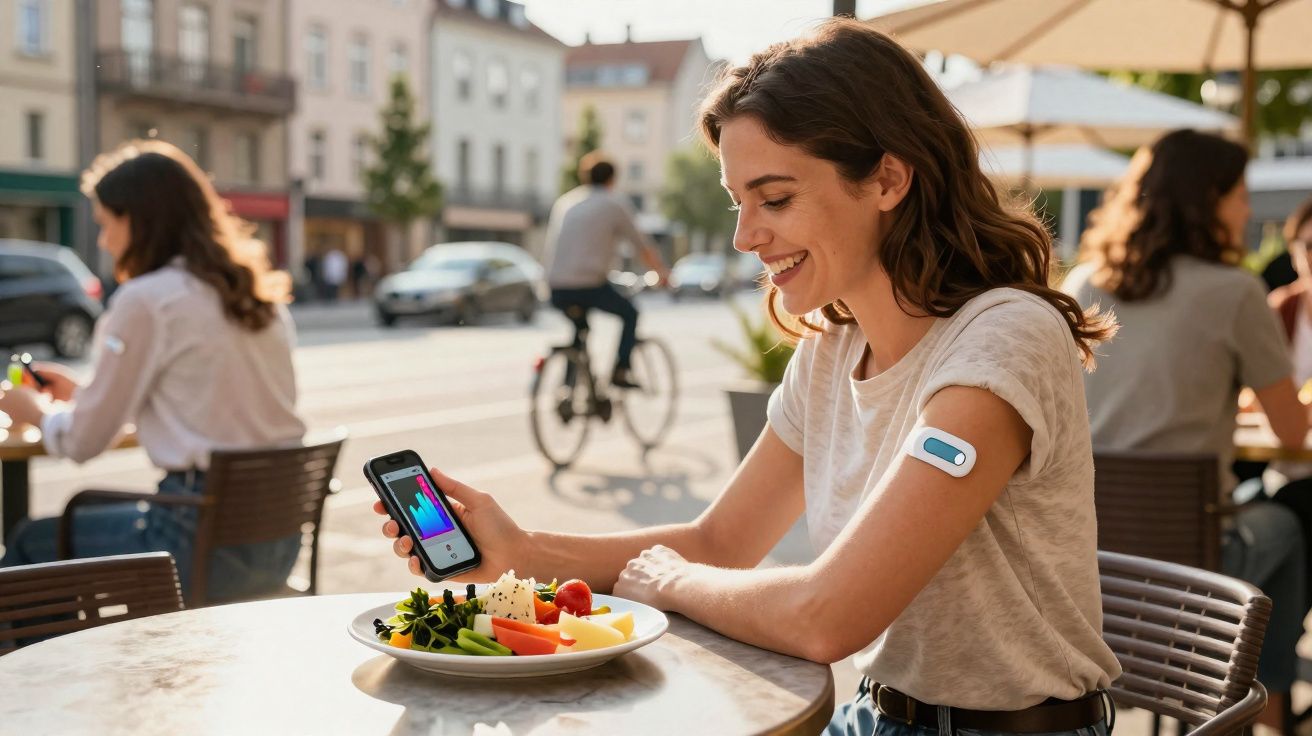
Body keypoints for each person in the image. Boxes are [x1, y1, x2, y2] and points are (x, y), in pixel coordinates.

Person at [378, 20, 1122, 735]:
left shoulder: (1004, 338)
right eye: (741, 203)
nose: (744, 236)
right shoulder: (834, 350)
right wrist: (521, 552)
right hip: (873, 712)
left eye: (776, 198)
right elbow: (722, 539)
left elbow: (827, 614)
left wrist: (668, 583)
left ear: (889, 178)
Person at [1063, 130, 1308, 729]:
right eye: (1239, 195)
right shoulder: (1235, 292)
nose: (1249, 210)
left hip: (1086, 553)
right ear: (1206, 200)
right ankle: (1258, 700)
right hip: (1192, 558)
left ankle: (1249, 697)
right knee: (1288, 522)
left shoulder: (1082, 285)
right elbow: (1292, 430)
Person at [0, 140, 307, 602]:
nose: (103, 240)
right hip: (277, 542)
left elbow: (83, 442)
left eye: (106, 223)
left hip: (192, 542)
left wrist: (36, 412)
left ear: (138, 221)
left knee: (28, 544)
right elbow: (208, 409)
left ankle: (34, 674)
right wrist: (85, 394)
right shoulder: (256, 296)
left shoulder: (147, 299)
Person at [542, 152, 670, 389]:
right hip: (590, 285)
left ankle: (568, 385)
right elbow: (642, 246)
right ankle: (621, 372)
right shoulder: (614, 204)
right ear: (612, 179)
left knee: (580, 329)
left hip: (556, 287)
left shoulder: (565, 202)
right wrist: (662, 273)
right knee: (630, 314)